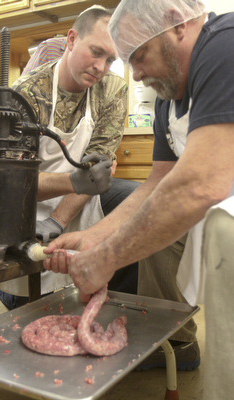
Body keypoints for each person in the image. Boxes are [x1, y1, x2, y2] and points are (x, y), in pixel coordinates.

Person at [42, 0, 234, 394]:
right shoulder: (167, 99)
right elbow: (155, 186)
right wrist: (93, 237)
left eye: (140, 55)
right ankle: (178, 345)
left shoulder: (224, 47)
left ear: (176, 24)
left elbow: (202, 183)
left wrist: (104, 260)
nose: (136, 73)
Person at [0, 5, 140, 311]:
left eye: (111, 59)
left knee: (135, 200)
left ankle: (120, 308)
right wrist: (73, 182)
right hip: (26, 209)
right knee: (33, 309)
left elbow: (96, 176)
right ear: (72, 39)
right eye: (96, 52)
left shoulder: (112, 90)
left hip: (80, 204)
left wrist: (58, 220)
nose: (101, 67)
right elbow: (12, 184)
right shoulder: (27, 93)